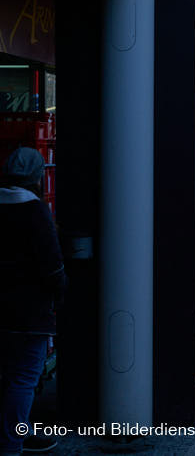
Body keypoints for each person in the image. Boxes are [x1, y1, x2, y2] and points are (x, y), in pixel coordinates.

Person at [1, 148, 65, 455]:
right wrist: (61, 292)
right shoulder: (36, 210)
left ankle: (13, 434)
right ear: (37, 176)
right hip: (30, 312)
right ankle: (12, 443)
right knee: (24, 379)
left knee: (7, 376)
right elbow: (52, 265)